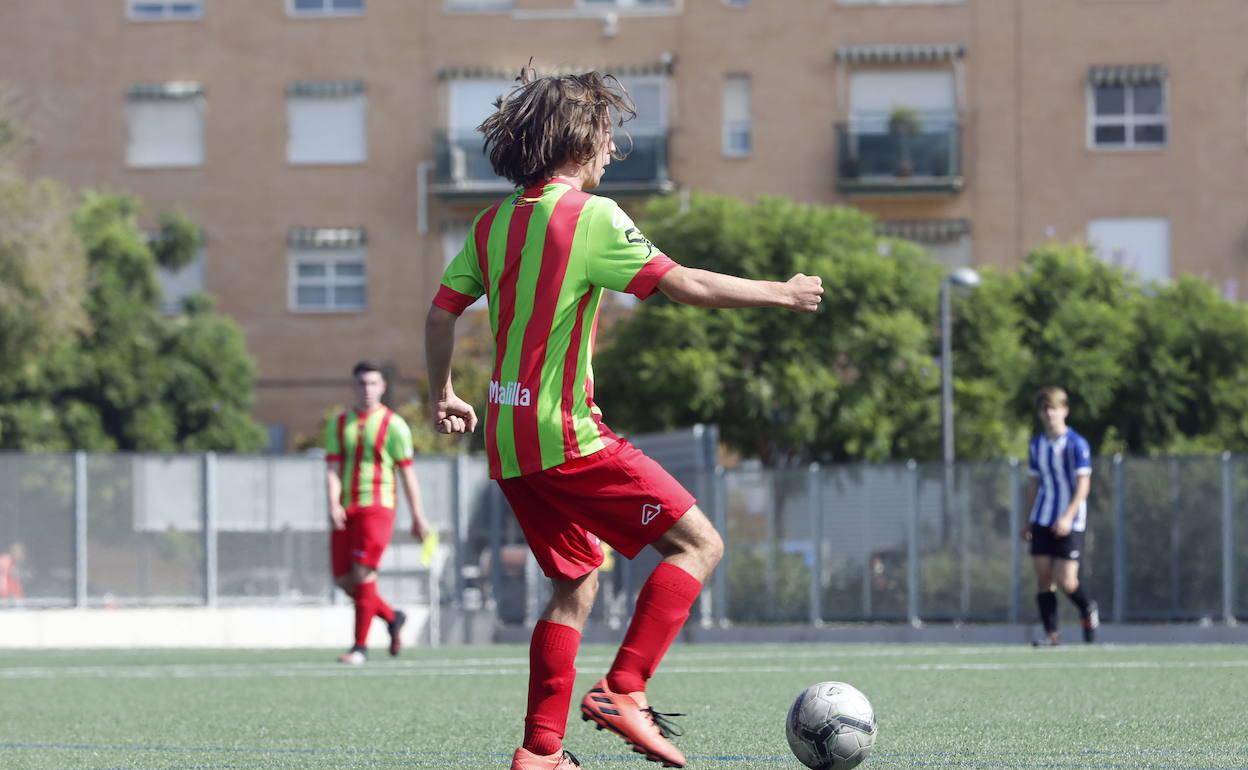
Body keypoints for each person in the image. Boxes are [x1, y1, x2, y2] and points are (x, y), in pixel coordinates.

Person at [425, 67, 823, 770]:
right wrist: (783, 294)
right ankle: (624, 689)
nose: (613, 152)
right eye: (609, 137)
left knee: (575, 583)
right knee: (699, 545)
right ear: (581, 139)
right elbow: (688, 287)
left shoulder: (491, 225)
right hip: (568, 435)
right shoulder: (592, 217)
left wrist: (442, 393)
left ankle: (541, 753)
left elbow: (441, 311)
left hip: (508, 444)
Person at [324, 361, 431, 664]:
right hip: (346, 508)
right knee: (345, 580)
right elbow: (332, 468)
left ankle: (359, 647)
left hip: (378, 506)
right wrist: (333, 503)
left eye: (373, 383)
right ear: (353, 386)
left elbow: (407, 473)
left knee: (363, 573)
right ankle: (392, 616)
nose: (367, 389)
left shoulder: (394, 425)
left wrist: (418, 516)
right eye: (361, 383)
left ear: (383, 387)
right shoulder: (339, 422)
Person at [1022, 386, 1100, 646]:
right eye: (1045, 409)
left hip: (1071, 519)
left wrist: (1068, 516)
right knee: (1044, 577)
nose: (1049, 413)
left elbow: (1083, 485)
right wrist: (1027, 520)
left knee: (1066, 580)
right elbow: (1034, 484)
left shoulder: (1077, 444)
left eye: (1053, 408)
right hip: (1043, 517)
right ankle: (1051, 634)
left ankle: (1087, 608)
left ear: (1064, 411)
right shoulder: (1037, 445)